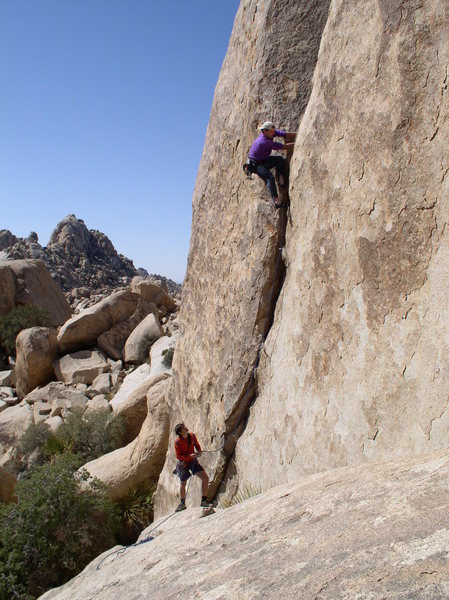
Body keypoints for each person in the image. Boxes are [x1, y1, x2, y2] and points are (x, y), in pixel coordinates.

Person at [245, 121, 296, 208]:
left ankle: (281, 178)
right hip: (255, 165)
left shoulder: (269, 133)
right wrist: (298, 142)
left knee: (279, 160)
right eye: (271, 131)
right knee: (269, 178)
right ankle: (276, 201)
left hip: (263, 159)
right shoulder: (263, 141)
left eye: (273, 131)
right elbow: (283, 147)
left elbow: (282, 134)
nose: (273, 133)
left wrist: (295, 135)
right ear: (264, 131)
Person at [174, 423, 211, 512]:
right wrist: (190, 456)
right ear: (180, 432)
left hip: (193, 462)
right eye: (183, 427)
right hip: (184, 464)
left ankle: (204, 501)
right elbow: (178, 456)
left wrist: (199, 451)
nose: (186, 427)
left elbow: (197, 446)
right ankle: (182, 504)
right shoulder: (177, 442)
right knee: (183, 484)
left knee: (205, 478)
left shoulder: (192, 436)